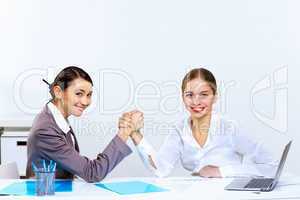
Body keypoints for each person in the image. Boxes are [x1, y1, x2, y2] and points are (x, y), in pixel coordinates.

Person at [121, 68, 277, 178]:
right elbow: (161, 169)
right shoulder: (179, 130)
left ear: (214, 97)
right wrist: (135, 134)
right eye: (189, 95)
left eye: (204, 94)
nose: (196, 101)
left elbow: (271, 166)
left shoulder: (229, 128)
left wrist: (222, 171)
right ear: (183, 97)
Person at [26, 66, 136, 183]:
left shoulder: (56, 119)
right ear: (58, 92)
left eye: (89, 95)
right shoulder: (46, 130)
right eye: (79, 94)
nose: (85, 102)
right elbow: (92, 173)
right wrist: (124, 132)